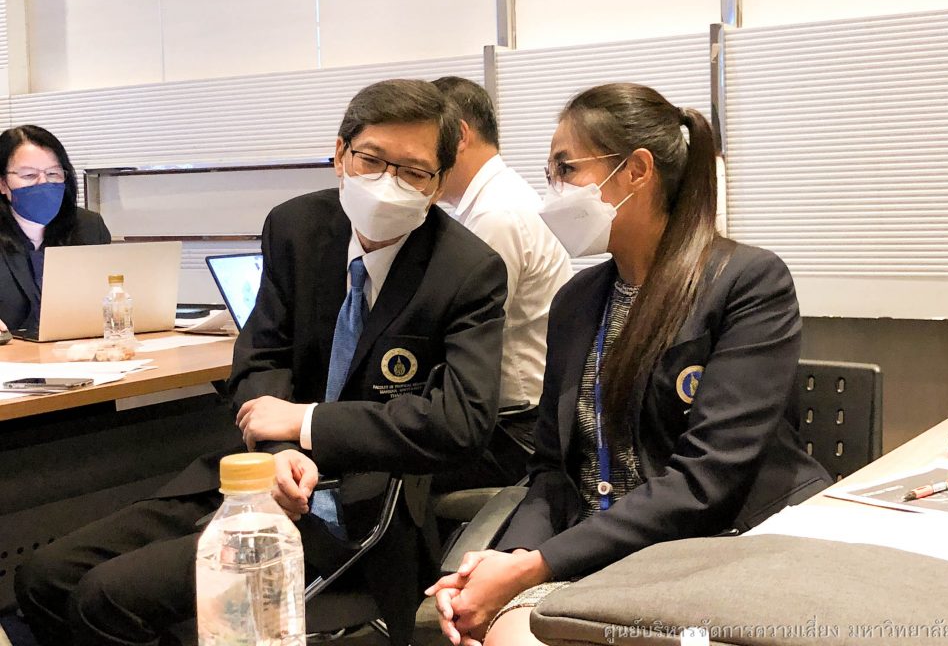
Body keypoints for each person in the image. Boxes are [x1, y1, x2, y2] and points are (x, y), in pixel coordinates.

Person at [15, 79, 509, 646]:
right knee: (45, 577)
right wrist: (276, 451)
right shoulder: (298, 228)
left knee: (108, 597)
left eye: (412, 171)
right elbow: (259, 359)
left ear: (439, 183)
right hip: (256, 476)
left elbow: (461, 422)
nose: (386, 184)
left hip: (359, 508)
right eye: (371, 160)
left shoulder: (466, 269)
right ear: (340, 155)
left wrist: (307, 423)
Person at [427, 83, 832, 646]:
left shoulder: (746, 283)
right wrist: (507, 561)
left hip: (714, 548)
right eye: (550, 173)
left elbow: (705, 482)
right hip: (592, 554)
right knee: (498, 631)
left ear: (637, 171)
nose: (553, 192)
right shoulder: (577, 301)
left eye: (567, 169)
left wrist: (534, 566)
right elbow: (550, 472)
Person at [431, 76, 572, 488]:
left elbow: (453, 328)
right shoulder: (493, 201)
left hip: (514, 432)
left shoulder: (495, 216)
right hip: (517, 418)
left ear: (459, 136)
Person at [0, 124, 111, 333]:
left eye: (53, 173)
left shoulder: (88, 226)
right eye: (29, 175)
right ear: (3, 184)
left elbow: (112, 296)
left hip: (79, 347)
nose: (43, 183)